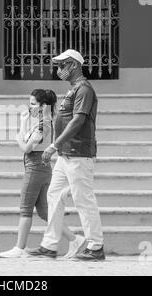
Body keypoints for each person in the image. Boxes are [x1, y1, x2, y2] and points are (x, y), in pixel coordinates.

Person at [26, 49, 105, 261]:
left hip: (78, 152)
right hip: (65, 154)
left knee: (83, 200)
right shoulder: (74, 90)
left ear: (74, 65)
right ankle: (50, 245)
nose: (59, 69)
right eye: (59, 65)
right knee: (54, 195)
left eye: (63, 64)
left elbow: (78, 120)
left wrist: (53, 145)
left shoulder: (84, 89)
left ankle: (96, 246)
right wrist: (57, 146)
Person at [0, 89, 84, 258]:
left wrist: (17, 138)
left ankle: (19, 248)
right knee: (45, 212)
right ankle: (75, 239)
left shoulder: (42, 124)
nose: (29, 106)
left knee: (25, 209)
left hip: (35, 168)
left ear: (43, 105)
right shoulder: (44, 121)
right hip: (42, 168)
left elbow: (26, 147)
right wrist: (23, 124)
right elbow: (27, 140)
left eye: (32, 103)